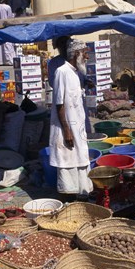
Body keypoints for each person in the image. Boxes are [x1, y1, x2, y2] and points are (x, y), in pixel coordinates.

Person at [49, 38, 92, 198]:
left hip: (78, 129)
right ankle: (68, 201)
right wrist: (67, 131)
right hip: (67, 129)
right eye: (85, 53)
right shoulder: (62, 72)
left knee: (80, 161)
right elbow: (59, 104)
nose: (87, 57)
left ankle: (81, 198)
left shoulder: (75, 73)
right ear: (76, 54)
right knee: (68, 166)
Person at [0, 0, 15, 65]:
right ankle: (9, 61)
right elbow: (9, 18)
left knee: (0, 44)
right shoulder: (8, 7)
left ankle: (0, 61)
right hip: (6, 27)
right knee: (8, 44)